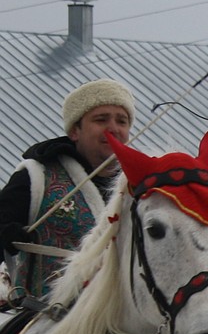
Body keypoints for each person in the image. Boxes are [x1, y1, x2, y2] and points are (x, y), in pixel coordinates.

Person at [0, 78, 135, 303]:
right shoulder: (36, 176)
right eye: (101, 119)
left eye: (122, 121)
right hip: (43, 317)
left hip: (125, 327)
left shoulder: (142, 186)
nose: (113, 128)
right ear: (75, 131)